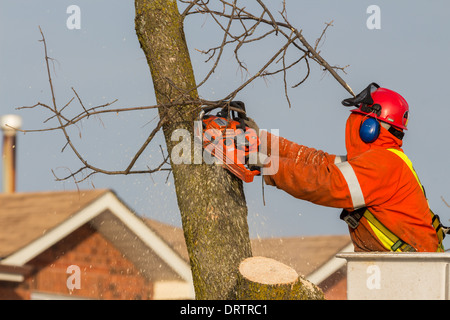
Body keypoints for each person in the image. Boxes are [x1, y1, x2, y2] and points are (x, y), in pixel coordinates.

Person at [248, 83, 446, 252]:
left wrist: (268, 165)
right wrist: (262, 141)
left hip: (410, 272)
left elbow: (325, 183)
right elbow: (317, 162)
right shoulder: (380, 160)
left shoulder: (383, 165)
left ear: (370, 127)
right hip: (405, 268)